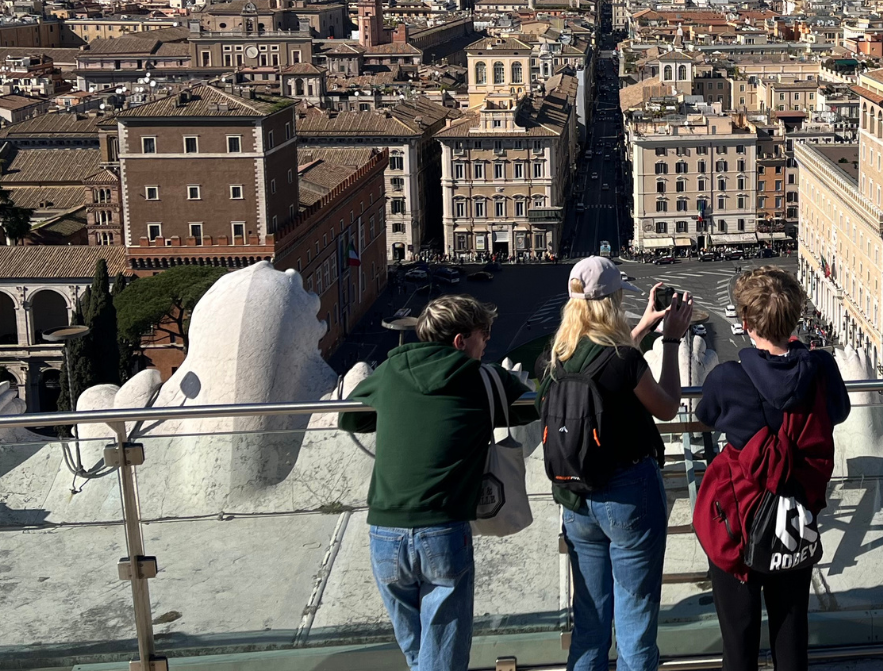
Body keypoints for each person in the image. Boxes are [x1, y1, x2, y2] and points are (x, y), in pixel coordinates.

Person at [339, 294, 531, 671]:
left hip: (385, 532)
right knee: (442, 654)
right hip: (442, 529)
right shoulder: (483, 378)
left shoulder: (391, 371)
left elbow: (350, 418)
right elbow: (532, 406)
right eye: (483, 336)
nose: (487, 344)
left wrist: (401, 412)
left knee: (420, 654)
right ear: (461, 341)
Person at [695, 268, 852, 671]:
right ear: (796, 317)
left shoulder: (728, 378)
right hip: (794, 521)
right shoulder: (821, 369)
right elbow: (839, 411)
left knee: (739, 644)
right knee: (791, 636)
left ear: (745, 322)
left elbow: (706, 415)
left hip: (736, 523)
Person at [543, 255, 694, 671]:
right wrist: (670, 341)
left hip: (575, 497)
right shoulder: (625, 360)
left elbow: (604, 363)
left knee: (589, 621)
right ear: (611, 303)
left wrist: (642, 327)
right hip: (627, 494)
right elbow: (666, 407)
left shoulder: (555, 357)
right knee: (635, 620)